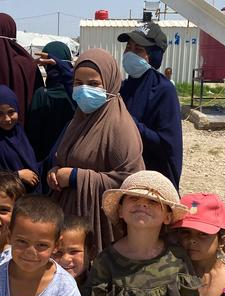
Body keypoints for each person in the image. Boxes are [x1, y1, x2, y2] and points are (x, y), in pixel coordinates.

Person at [85, 170, 201, 296]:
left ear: (167, 216)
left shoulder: (177, 258)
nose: (143, 204)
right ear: (120, 210)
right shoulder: (106, 262)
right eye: (133, 198)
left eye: (154, 201)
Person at [48, 48, 145, 252]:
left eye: (93, 84)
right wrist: (56, 172)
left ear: (109, 83)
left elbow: (130, 181)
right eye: (78, 83)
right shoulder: (78, 119)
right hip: (70, 220)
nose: (84, 90)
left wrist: (76, 177)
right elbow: (67, 157)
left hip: (101, 226)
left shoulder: (119, 126)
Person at [118, 23, 184, 190]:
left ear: (153, 56)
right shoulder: (124, 87)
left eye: (138, 49)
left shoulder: (164, 90)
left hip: (151, 180)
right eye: (128, 47)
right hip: (123, 176)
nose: (130, 53)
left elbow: (166, 146)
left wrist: (130, 123)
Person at [0, 85, 40, 192]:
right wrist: (17, 175)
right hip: (8, 198)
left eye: (11, 112)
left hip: (29, 198)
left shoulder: (21, 132)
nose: (7, 119)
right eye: (0, 114)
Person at [26, 41, 76, 161]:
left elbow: (33, 134)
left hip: (45, 160)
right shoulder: (77, 95)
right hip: (71, 159)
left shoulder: (41, 95)